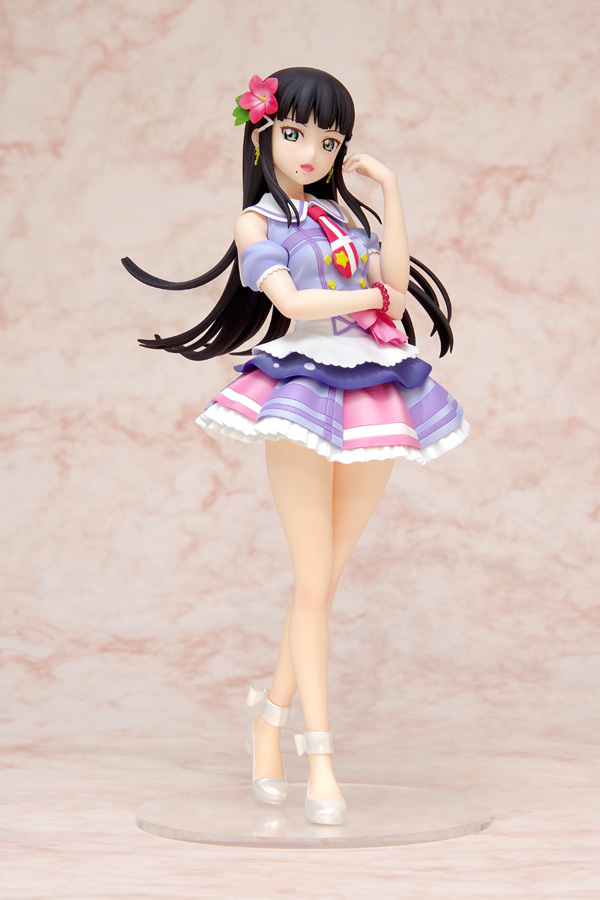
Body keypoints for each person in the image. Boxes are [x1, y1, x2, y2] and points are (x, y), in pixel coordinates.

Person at [122, 67, 469, 827]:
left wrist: (392, 193)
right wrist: (374, 298)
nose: (312, 153)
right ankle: (321, 761)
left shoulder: (343, 218)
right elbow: (295, 301)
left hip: (375, 383)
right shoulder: (258, 225)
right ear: (264, 134)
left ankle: (266, 718)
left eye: (329, 141)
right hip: (304, 385)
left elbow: (397, 279)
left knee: (326, 580)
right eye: (295, 134)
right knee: (313, 582)